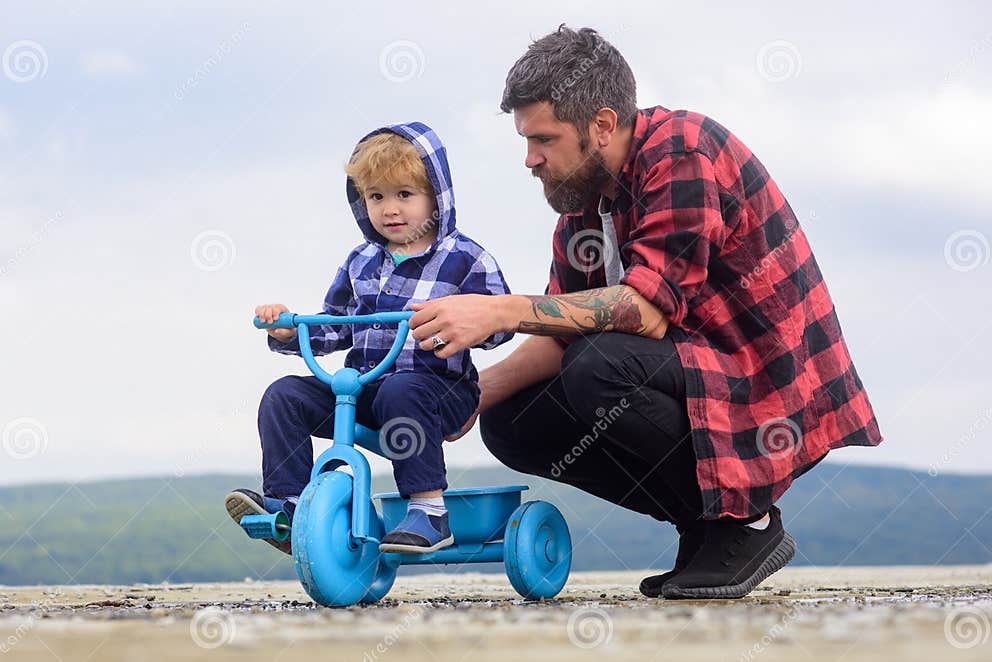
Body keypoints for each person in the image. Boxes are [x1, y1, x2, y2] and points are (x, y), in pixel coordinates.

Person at [405, 26, 883, 599]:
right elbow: (560, 331)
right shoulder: (584, 201)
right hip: (689, 375)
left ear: (602, 125)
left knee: (598, 366)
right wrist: (467, 396)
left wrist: (500, 311)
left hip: (763, 385)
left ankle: (745, 522)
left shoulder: (682, 150)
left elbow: (645, 312)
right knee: (511, 423)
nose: (529, 159)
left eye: (543, 139)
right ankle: (707, 528)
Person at [226, 122, 513, 555]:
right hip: (366, 387)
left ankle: (429, 510)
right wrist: (289, 329)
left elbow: (501, 323)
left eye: (405, 194)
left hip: (442, 391)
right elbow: (338, 322)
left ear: (437, 196)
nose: (389, 209)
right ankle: (291, 504)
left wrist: (475, 322)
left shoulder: (466, 259)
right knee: (284, 395)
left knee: (404, 388)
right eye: (376, 196)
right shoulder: (361, 261)